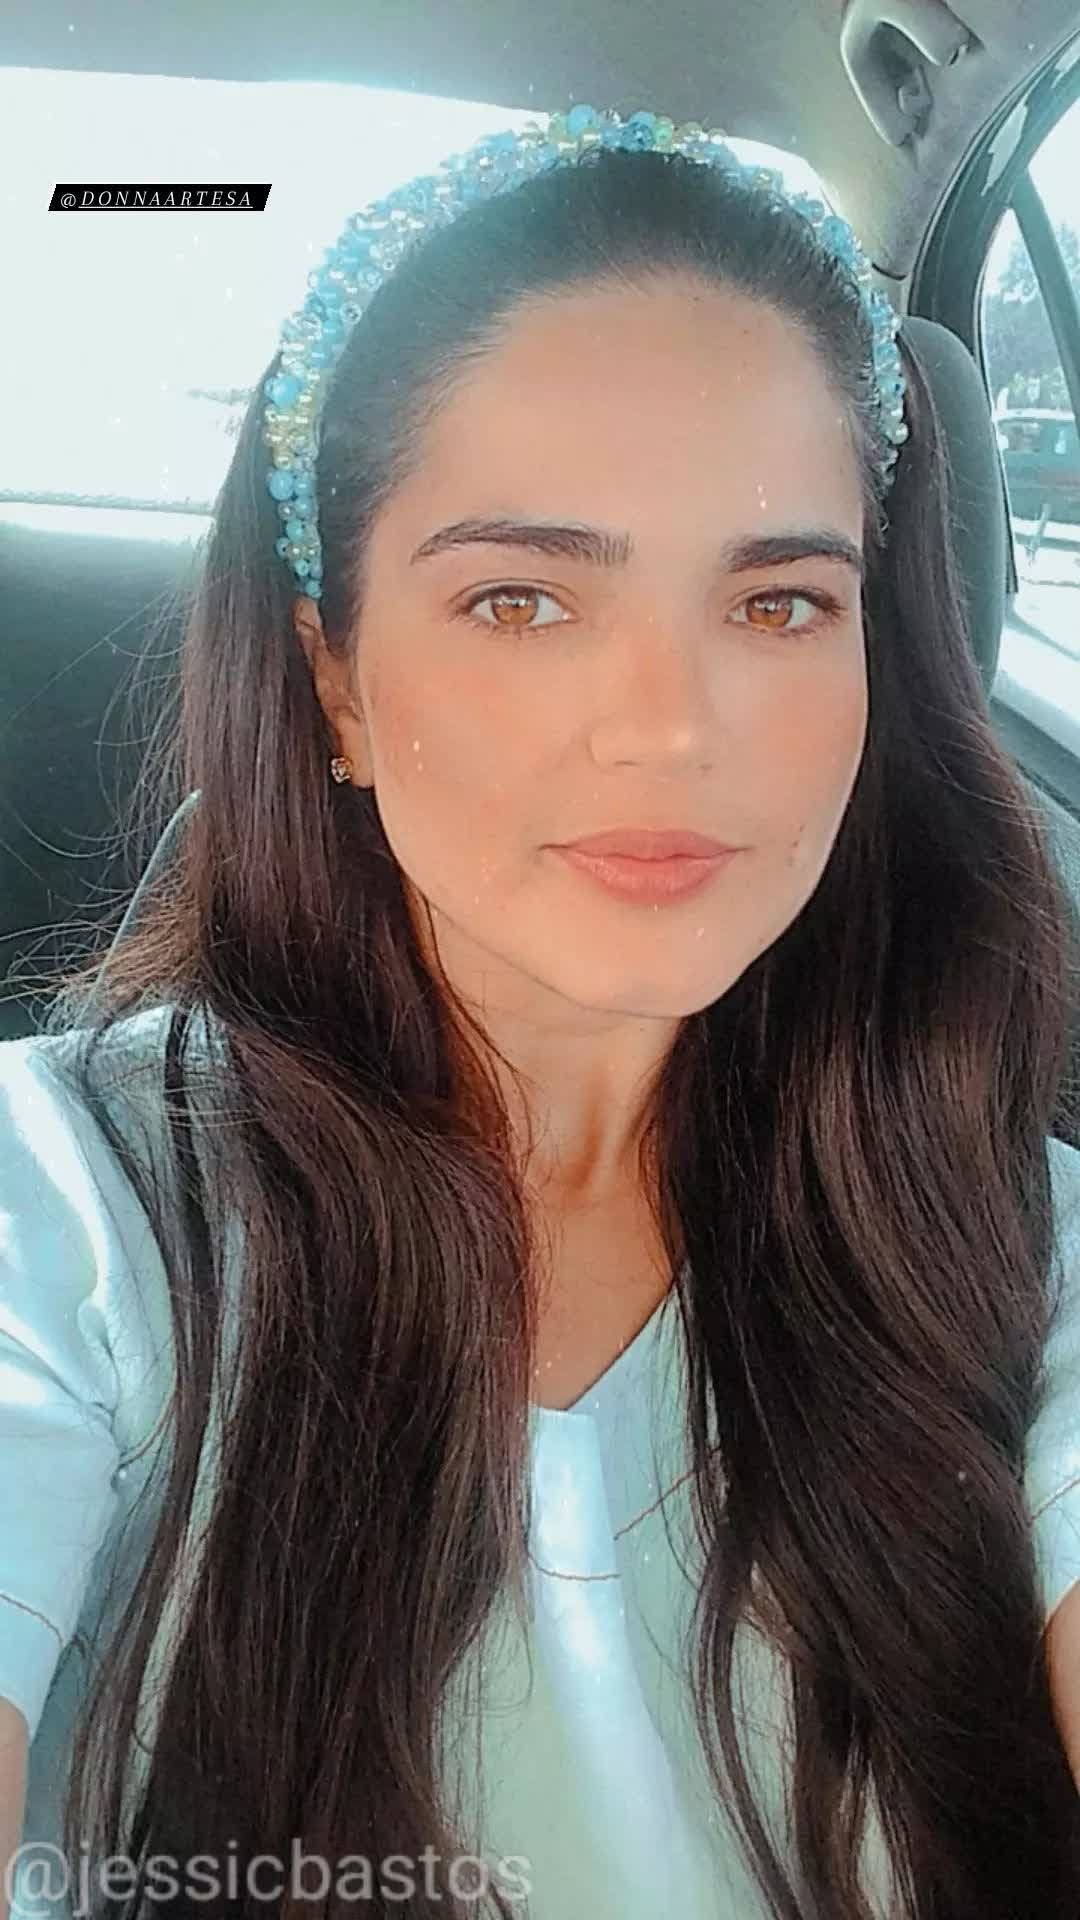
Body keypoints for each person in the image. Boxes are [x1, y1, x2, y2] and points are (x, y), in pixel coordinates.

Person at [1, 100, 1079, 1920]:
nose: (669, 727)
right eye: (520, 600)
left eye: (778, 603)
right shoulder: (65, 1203)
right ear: (336, 685)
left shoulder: (1020, 1244)